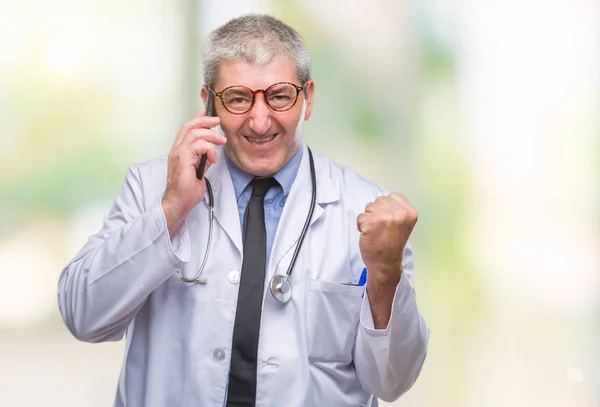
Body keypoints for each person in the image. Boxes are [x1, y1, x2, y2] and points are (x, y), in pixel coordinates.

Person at [57, 13, 429, 407]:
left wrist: (386, 273)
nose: (259, 119)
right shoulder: (151, 188)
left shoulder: (363, 210)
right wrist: (171, 208)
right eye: (238, 98)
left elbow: (393, 381)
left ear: (308, 98)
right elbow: (83, 316)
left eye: (280, 95)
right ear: (207, 102)